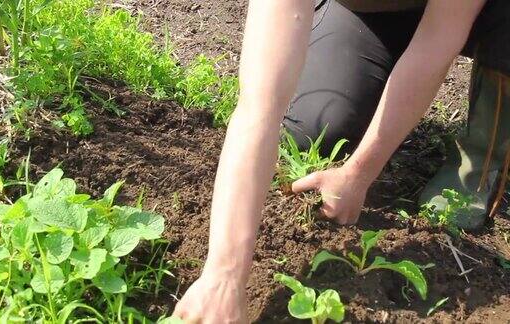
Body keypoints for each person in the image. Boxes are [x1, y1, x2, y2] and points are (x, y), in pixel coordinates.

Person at [173, 0, 509, 322]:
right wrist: (223, 276)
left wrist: (360, 172)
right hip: (374, 14)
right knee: (317, 129)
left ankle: (482, 158)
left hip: (480, 14)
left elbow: (437, 40)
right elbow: (258, 108)